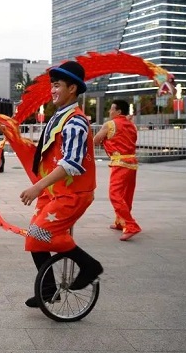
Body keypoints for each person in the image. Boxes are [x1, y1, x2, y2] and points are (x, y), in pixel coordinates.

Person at [19, 60, 103, 307]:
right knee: (32, 236)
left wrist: (37, 187)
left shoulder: (75, 121)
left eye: (57, 85)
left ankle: (89, 266)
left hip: (73, 193)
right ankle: (48, 291)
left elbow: (72, 164)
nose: (53, 90)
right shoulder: (60, 116)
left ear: (72, 89)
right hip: (56, 193)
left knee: (39, 235)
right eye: (52, 86)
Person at [93, 99, 141, 241]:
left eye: (112, 109)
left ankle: (131, 225)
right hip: (132, 163)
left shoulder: (109, 124)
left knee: (115, 195)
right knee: (126, 196)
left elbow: (95, 140)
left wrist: (104, 141)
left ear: (119, 111)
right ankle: (121, 222)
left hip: (119, 163)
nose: (110, 111)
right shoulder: (132, 125)